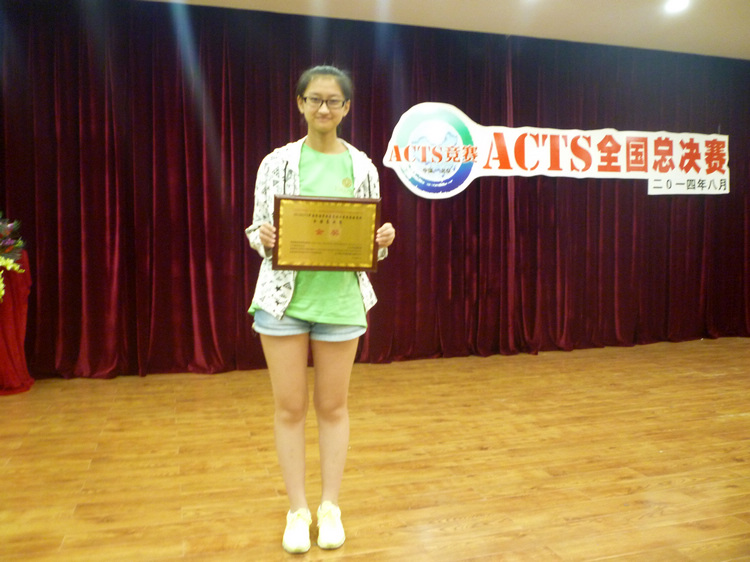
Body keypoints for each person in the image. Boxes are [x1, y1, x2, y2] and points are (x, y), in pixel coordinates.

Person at [245, 65, 396, 554]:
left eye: (333, 101)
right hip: (283, 303)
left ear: (346, 108)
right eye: (315, 99)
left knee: (333, 408)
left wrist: (381, 241)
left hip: (340, 302)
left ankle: (330, 507)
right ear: (300, 104)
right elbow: (255, 230)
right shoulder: (277, 163)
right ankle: (297, 511)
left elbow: (366, 245)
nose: (324, 108)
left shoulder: (364, 167)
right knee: (289, 408)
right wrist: (263, 236)